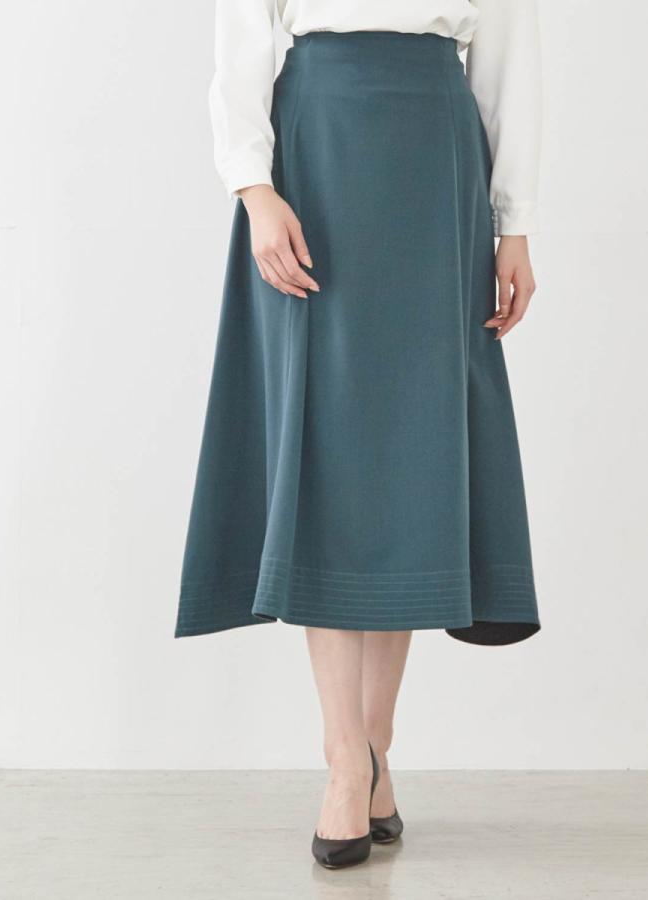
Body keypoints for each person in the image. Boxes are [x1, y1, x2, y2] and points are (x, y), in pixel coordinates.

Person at [176, 0, 543, 869]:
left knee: (407, 454)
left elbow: (509, 63)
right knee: (333, 456)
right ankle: (344, 759)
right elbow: (241, 45)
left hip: (434, 159)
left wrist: (515, 222)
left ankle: (376, 747)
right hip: (318, 151)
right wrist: (254, 189)